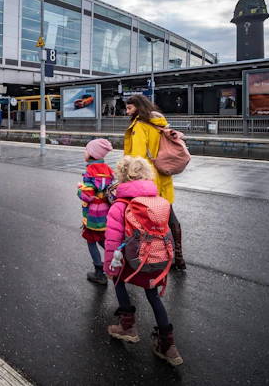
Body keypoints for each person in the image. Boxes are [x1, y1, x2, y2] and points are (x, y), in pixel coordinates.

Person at [103, 156, 183, 366]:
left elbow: (112, 241)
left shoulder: (119, 206)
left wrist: (110, 267)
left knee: (118, 280)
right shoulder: (157, 202)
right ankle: (169, 346)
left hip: (131, 259)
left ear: (121, 177)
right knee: (153, 296)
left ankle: (127, 326)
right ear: (147, 175)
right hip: (154, 260)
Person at [124, 94, 186, 270]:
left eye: (130, 108)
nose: (127, 112)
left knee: (145, 220)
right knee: (170, 215)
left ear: (138, 107)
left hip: (148, 180)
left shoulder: (140, 126)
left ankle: (150, 256)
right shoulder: (159, 123)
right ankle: (179, 257)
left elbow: (137, 158)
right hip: (164, 176)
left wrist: (129, 180)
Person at [77, 138, 115, 285]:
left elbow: (87, 196)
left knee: (92, 240)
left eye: (86, 150)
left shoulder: (89, 171)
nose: (85, 152)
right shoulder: (108, 170)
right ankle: (120, 258)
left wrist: (80, 188)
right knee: (102, 239)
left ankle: (100, 272)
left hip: (93, 215)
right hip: (106, 213)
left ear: (92, 154)